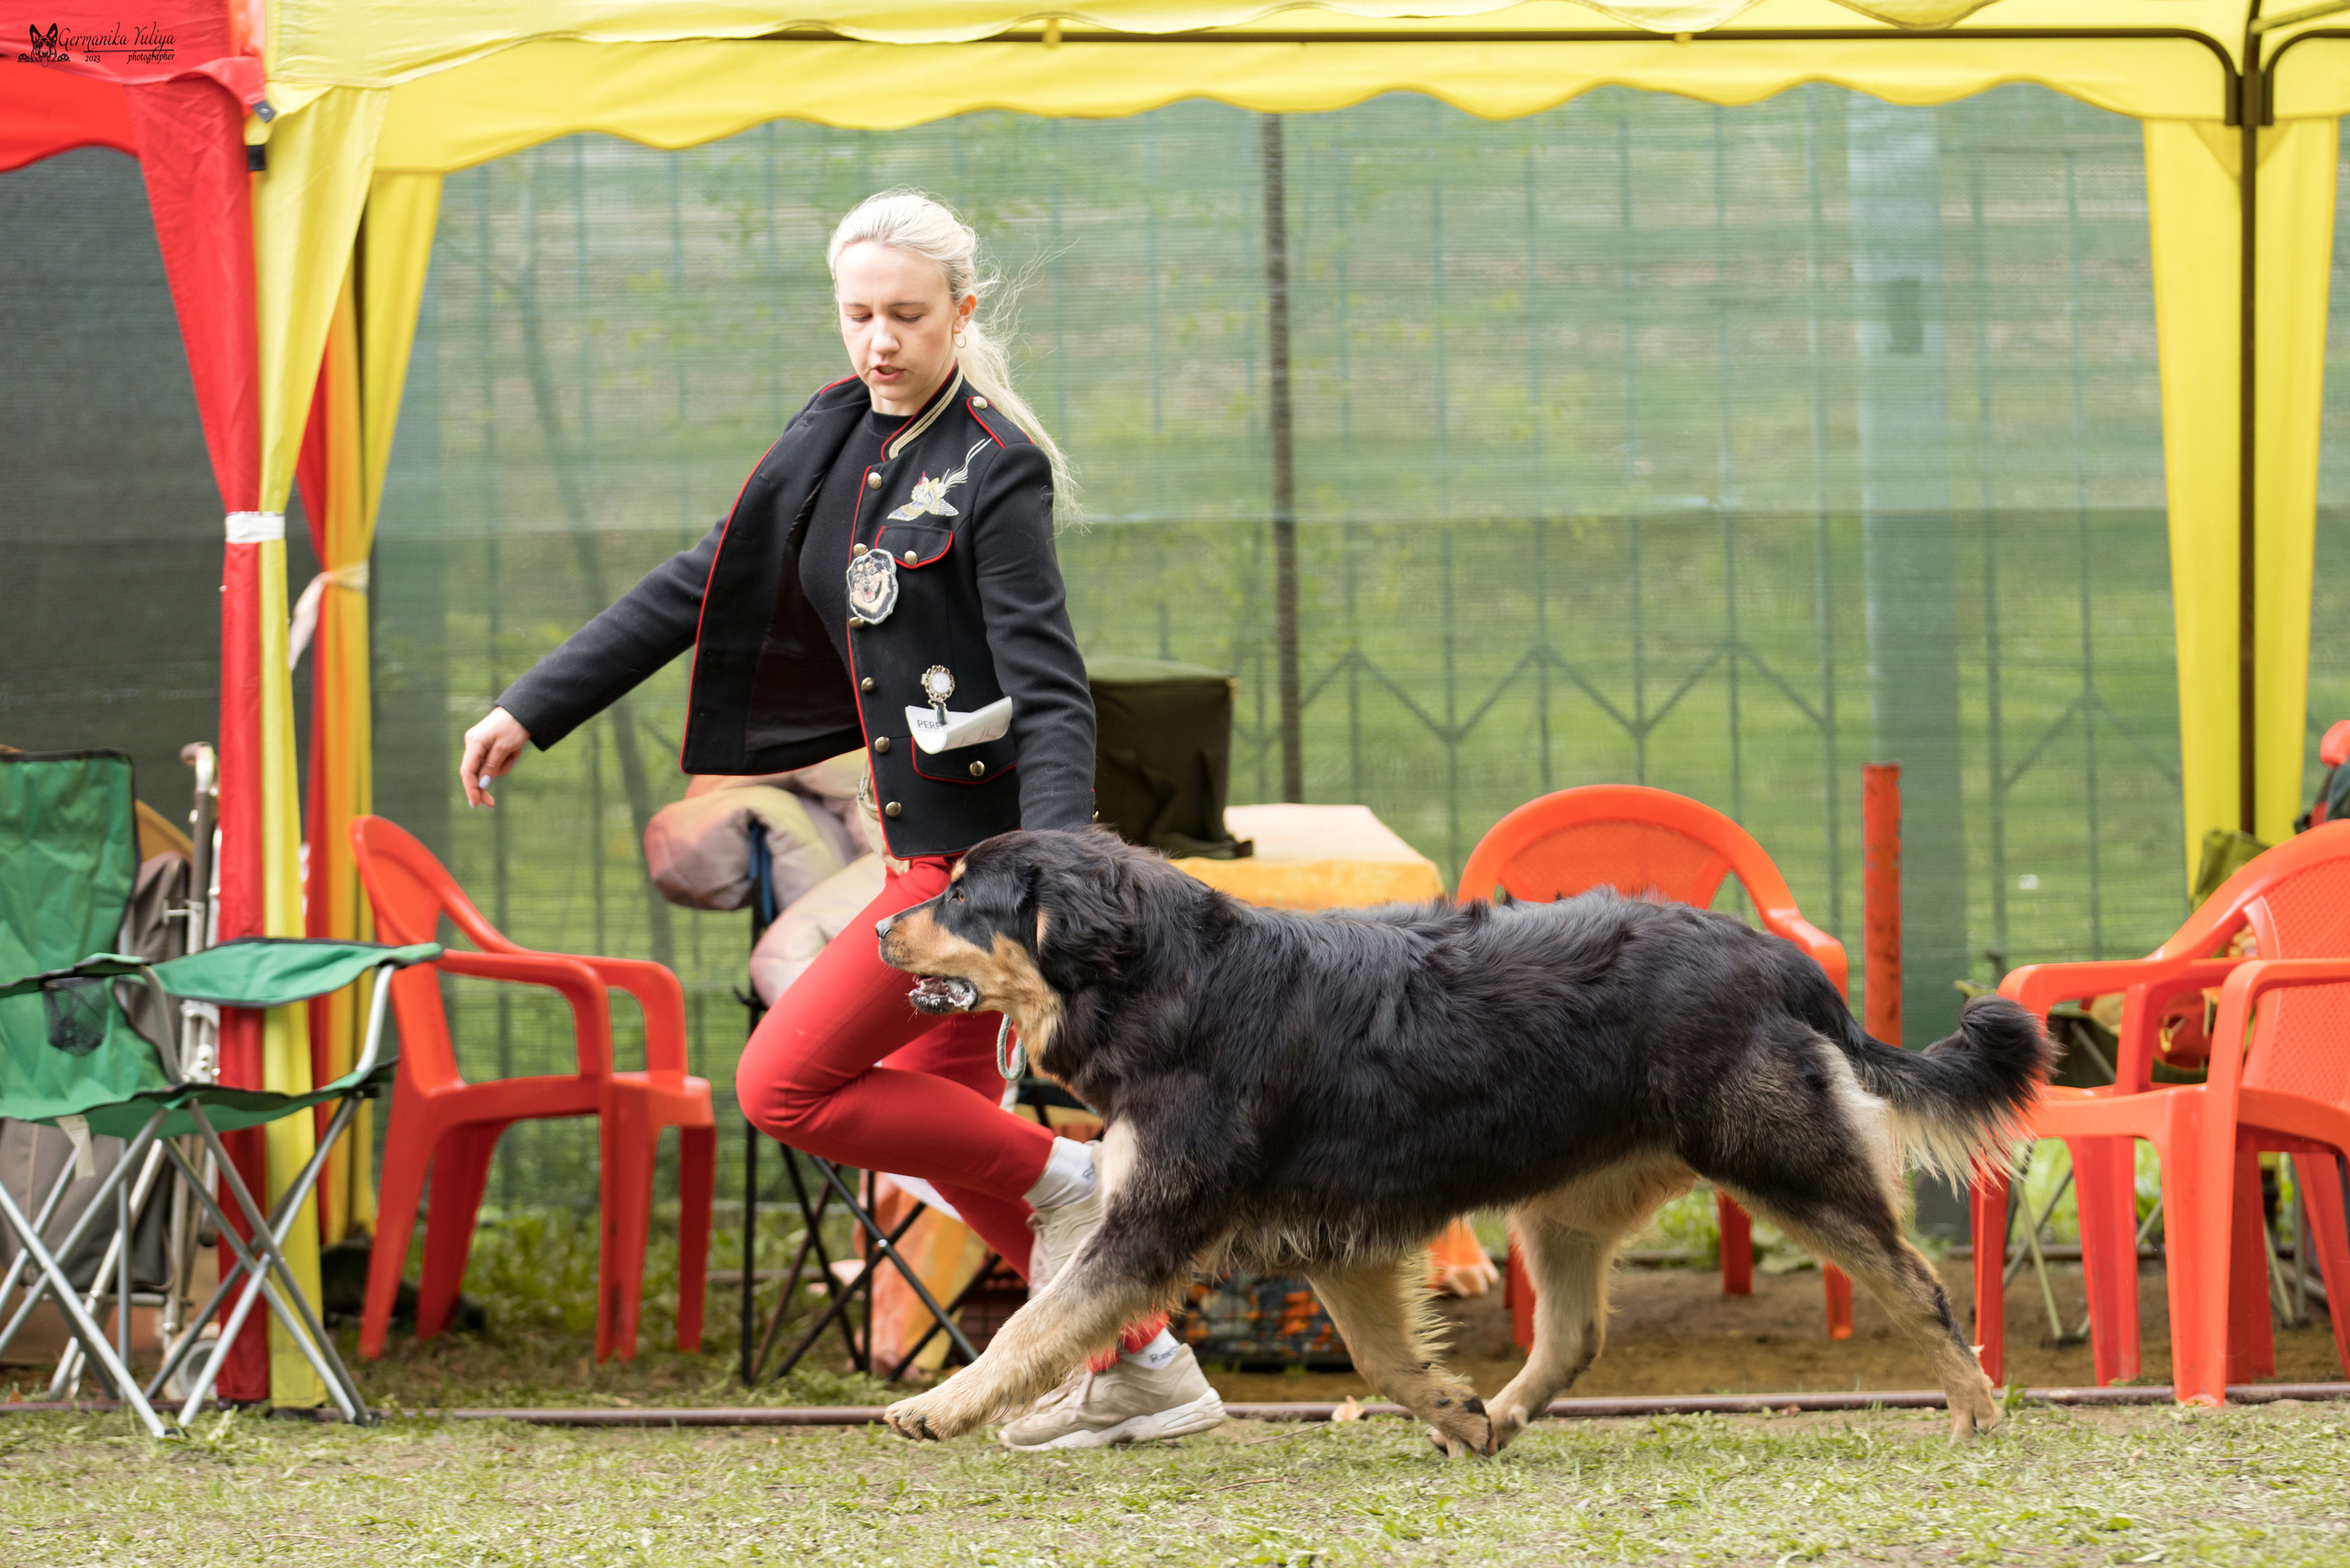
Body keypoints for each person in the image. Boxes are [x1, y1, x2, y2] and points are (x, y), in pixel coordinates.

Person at [456, 190, 1221, 1450]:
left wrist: (1054, 877)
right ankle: (1142, 1367)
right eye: (858, 314)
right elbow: (700, 582)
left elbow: (1048, 685)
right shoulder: (827, 437)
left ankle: (1077, 1181)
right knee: (954, 1135)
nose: (879, 340)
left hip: (971, 880)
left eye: (907, 316)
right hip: (913, 850)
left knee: (782, 1086)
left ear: (962, 313)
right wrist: (532, 706)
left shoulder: (994, 464)